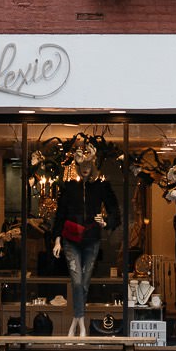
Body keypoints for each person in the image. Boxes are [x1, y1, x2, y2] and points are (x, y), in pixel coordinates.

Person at [50, 140, 119, 337]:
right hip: (70, 240)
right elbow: (60, 215)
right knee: (77, 282)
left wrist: (105, 221)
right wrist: (57, 239)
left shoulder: (101, 187)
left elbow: (115, 211)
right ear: (78, 166)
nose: (85, 169)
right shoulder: (69, 187)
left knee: (85, 282)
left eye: (89, 165)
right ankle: (81, 324)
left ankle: (76, 323)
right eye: (82, 165)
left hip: (92, 239)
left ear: (93, 165)